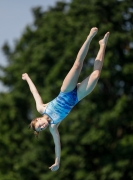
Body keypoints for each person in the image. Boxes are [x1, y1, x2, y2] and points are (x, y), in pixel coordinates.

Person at [22, 27, 110, 171]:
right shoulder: (54, 127)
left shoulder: (41, 108)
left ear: (38, 119)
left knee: (77, 65)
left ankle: (89, 37)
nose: (43, 127)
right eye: (41, 129)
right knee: (96, 75)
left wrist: (27, 78)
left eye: (40, 125)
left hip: (66, 91)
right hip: (77, 97)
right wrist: (57, 162)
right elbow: (57, 145)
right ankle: (102, 44)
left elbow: (35, 92)